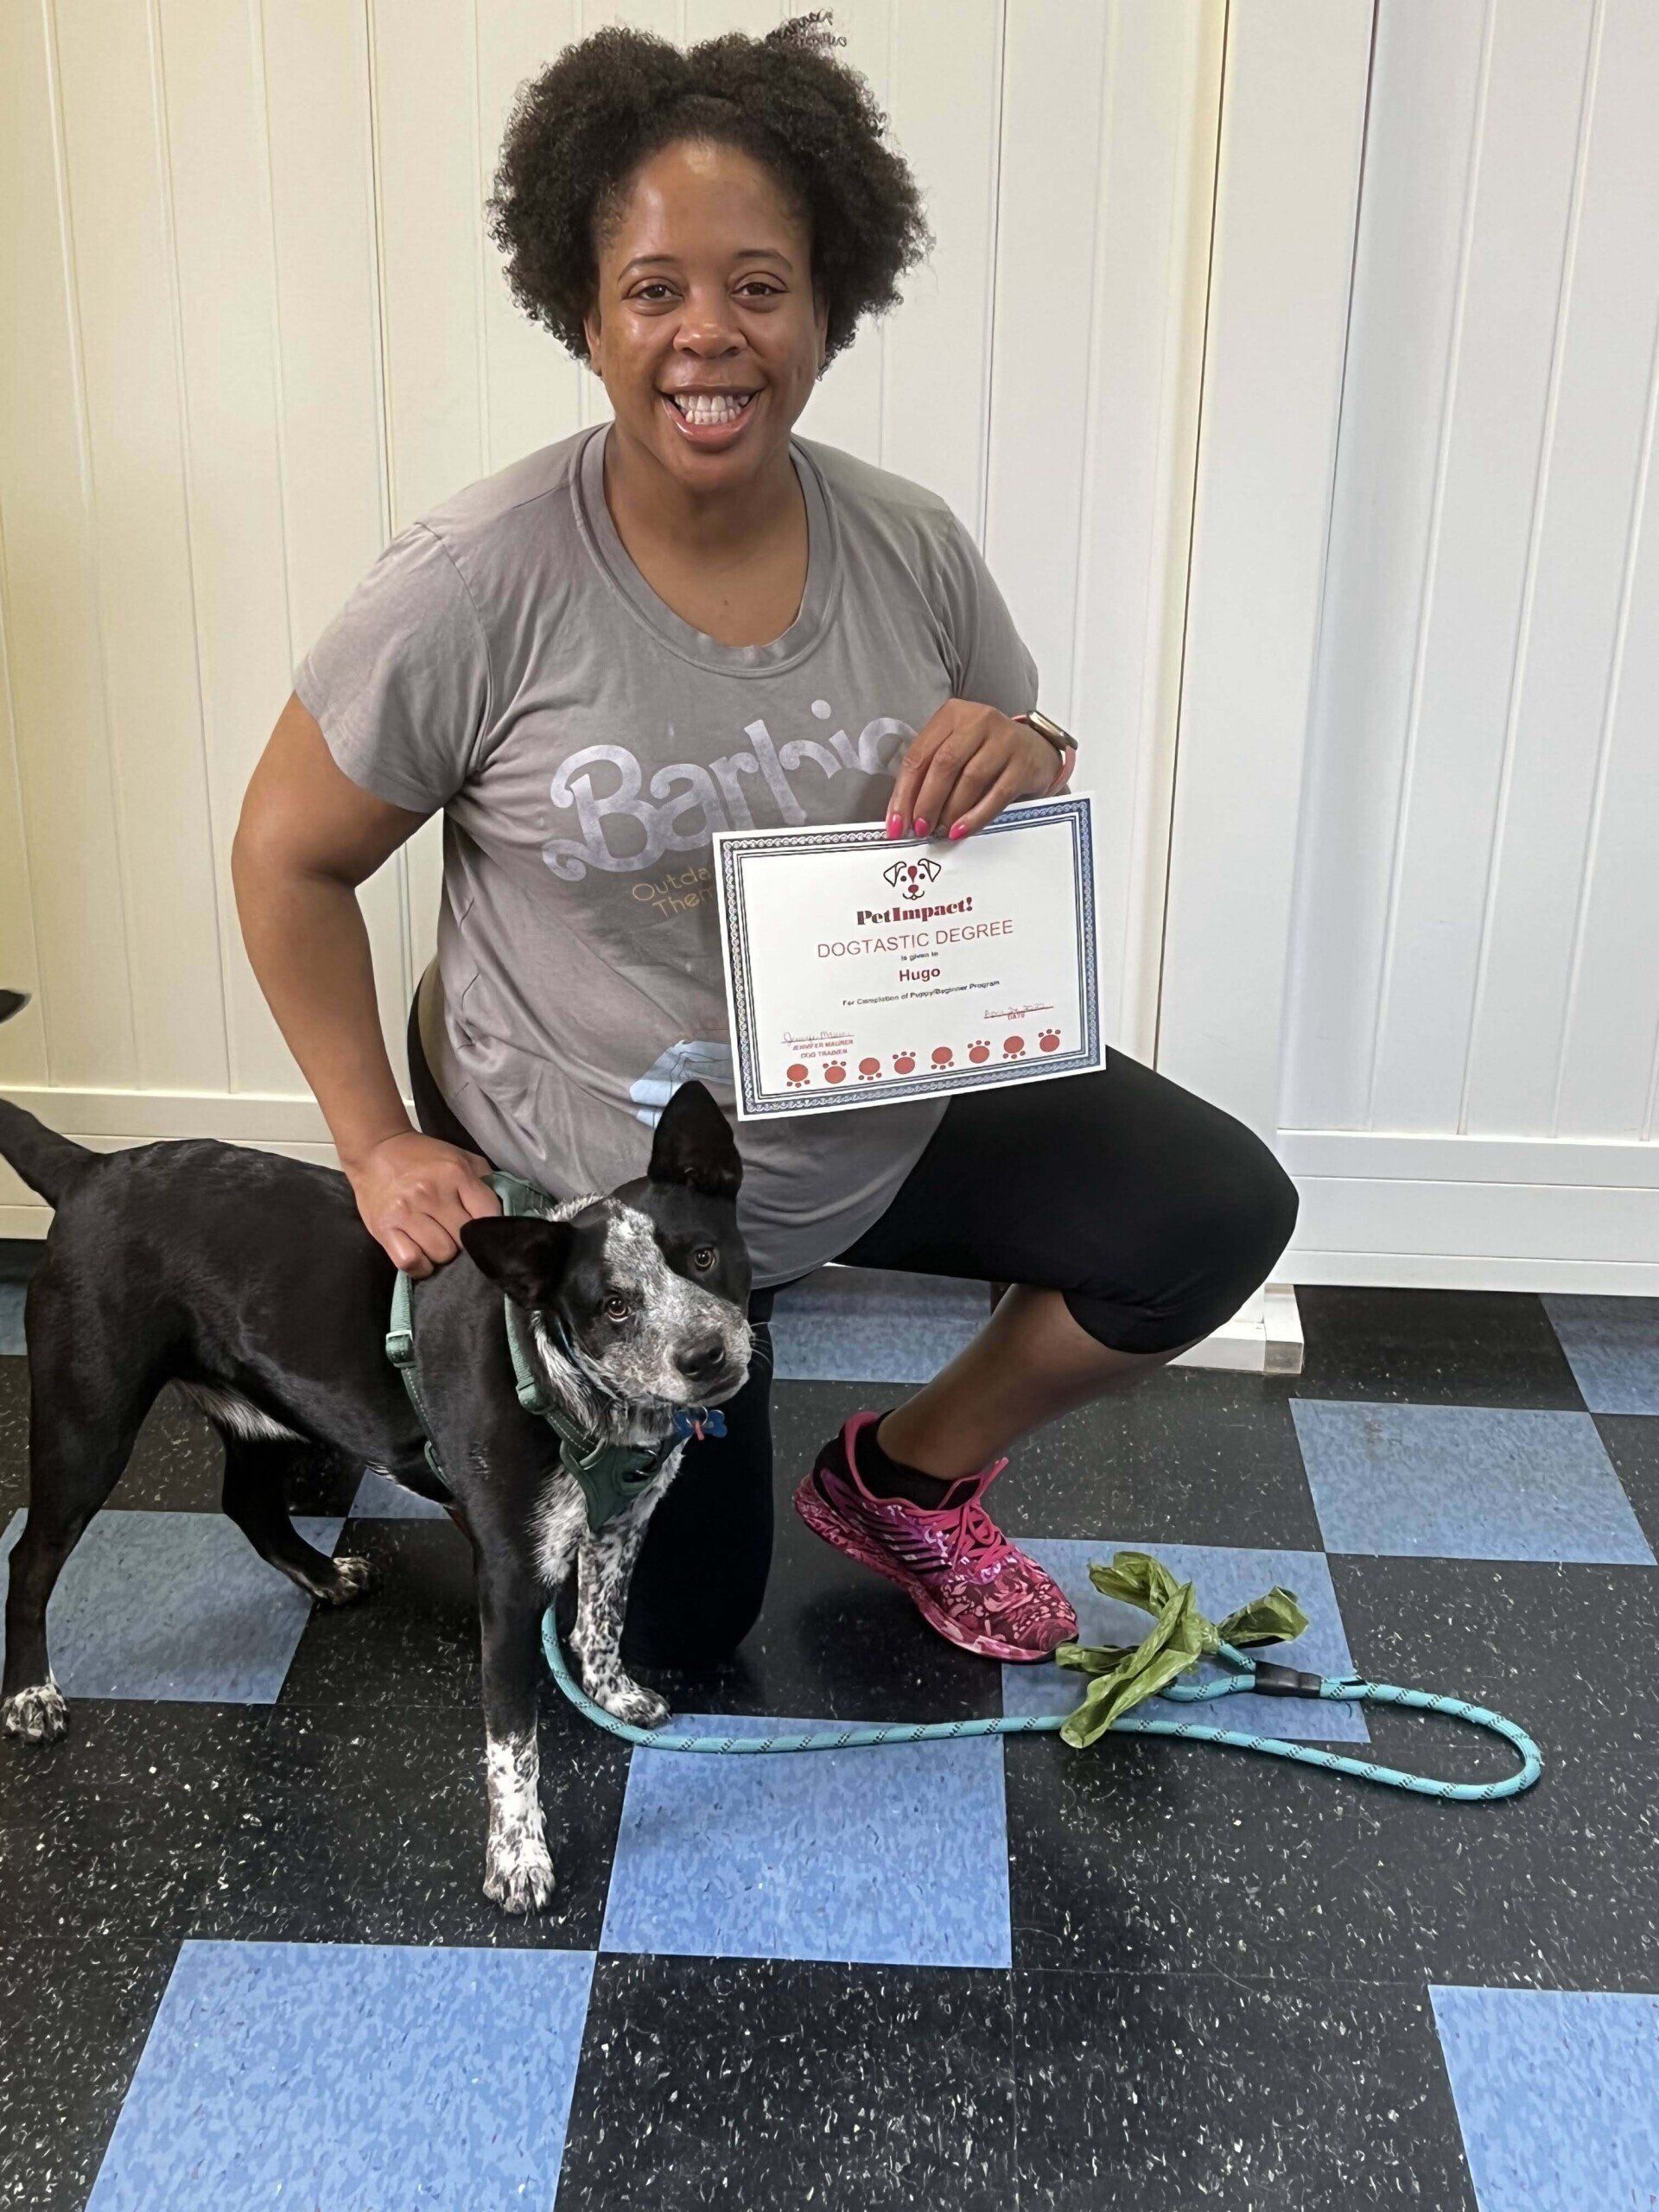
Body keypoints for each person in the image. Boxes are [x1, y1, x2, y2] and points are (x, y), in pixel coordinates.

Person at [232, 11, 1298, 1674]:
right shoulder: (472, 585)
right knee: (674, 1634)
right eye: (654, 288)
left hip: (872, 1083)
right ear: (582, 312)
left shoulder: (908, 542)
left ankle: (906, 1482)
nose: (706, 336)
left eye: (758, 284)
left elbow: (1024, 751)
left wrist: (1027, 746)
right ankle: (413, 1405)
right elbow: (287, 858)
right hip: (613, 1161)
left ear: (825, 305)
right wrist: (375, 1143)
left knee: (1211, 1212)